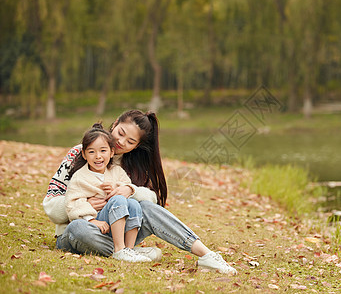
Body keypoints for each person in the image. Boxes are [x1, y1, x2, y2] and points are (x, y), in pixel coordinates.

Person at [43, 110, 237, 274]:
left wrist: (129, 189)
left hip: (119, 232)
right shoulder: (82, 152)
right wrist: (85, 204)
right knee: (79, 228)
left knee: (144, 206)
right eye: (120, 133)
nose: (120, 142)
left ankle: (207, 255)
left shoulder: (132, 165)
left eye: (130, 141)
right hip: (83, 230)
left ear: (136, 146)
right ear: (115, 123)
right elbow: (50, 205)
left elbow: (151, 200)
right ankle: (130, 252)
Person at [65, 123, 155, 262]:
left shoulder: (116, 171)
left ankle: (128, 250)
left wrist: (115, 189)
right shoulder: (80, 177)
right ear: (83, 154)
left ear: (112, 152)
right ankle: (119, 249)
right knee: (78, 227)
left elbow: (126, 186)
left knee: (131, 203)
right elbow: (73, 203)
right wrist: (92, 220)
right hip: (94, 224)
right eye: (91, 152)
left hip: (115, 225)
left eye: (103, 151)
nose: (98, 156)